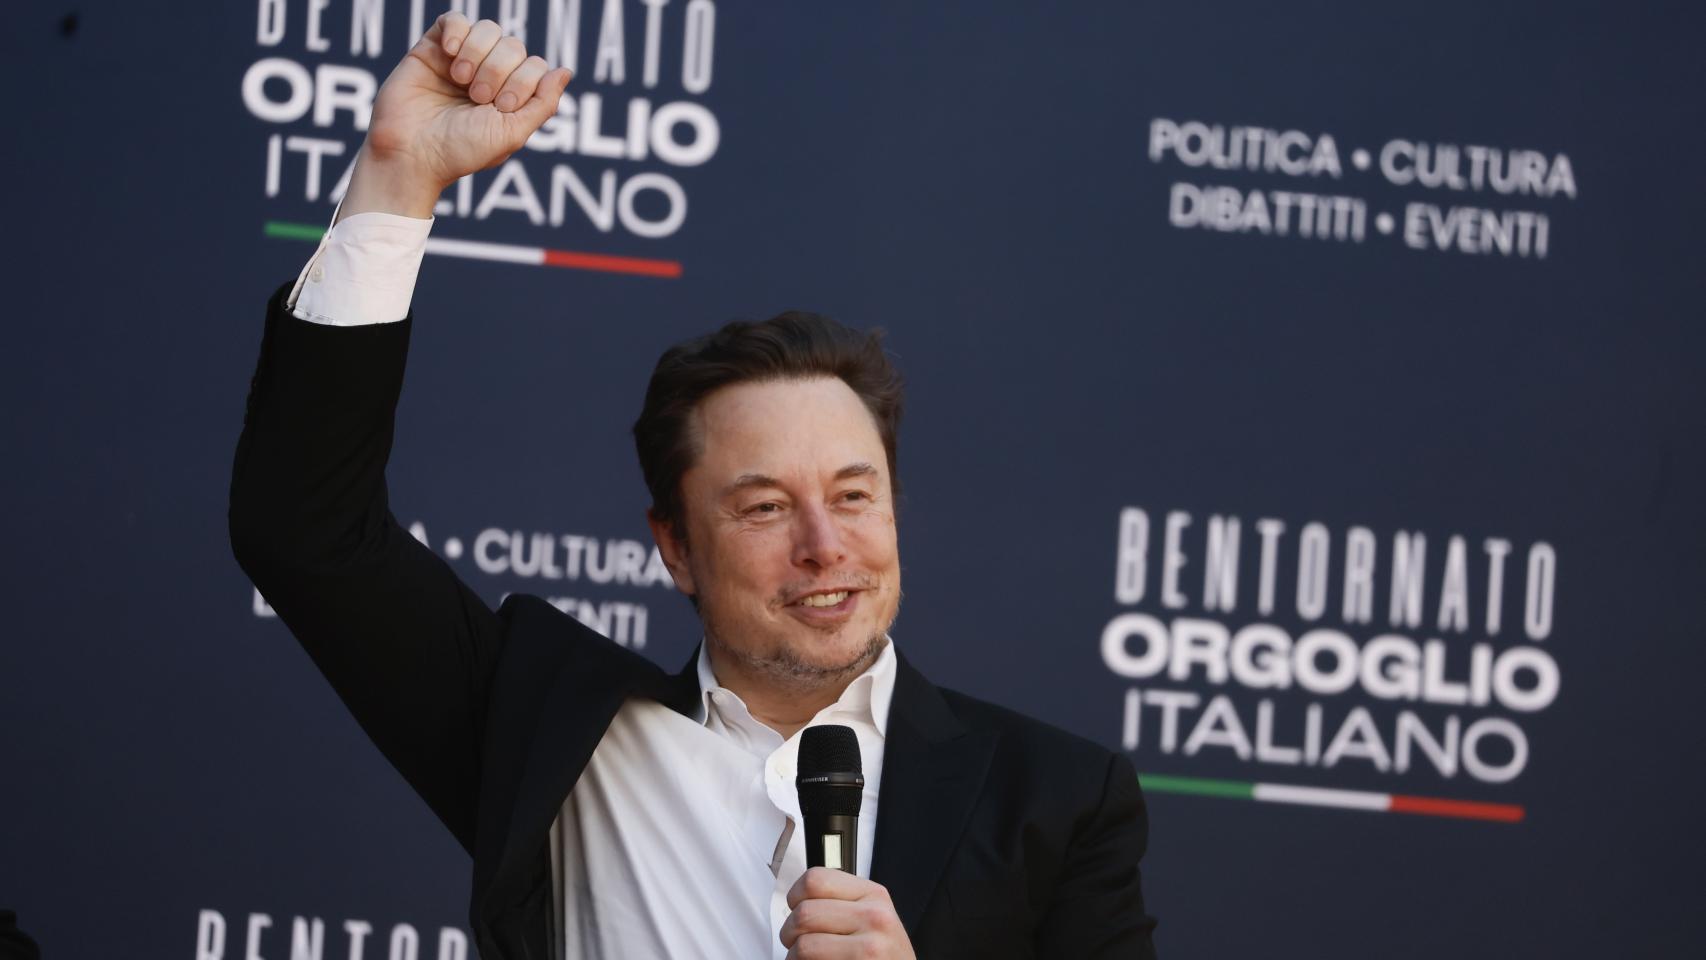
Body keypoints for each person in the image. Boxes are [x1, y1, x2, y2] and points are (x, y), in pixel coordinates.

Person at [229, 13, 1157, 959]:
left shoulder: (1056, 799)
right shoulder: (553, 741)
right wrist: (398, 176)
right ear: (674, 545)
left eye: (852, 495)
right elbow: (305, 531)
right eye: (765, 507)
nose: (824, 546)